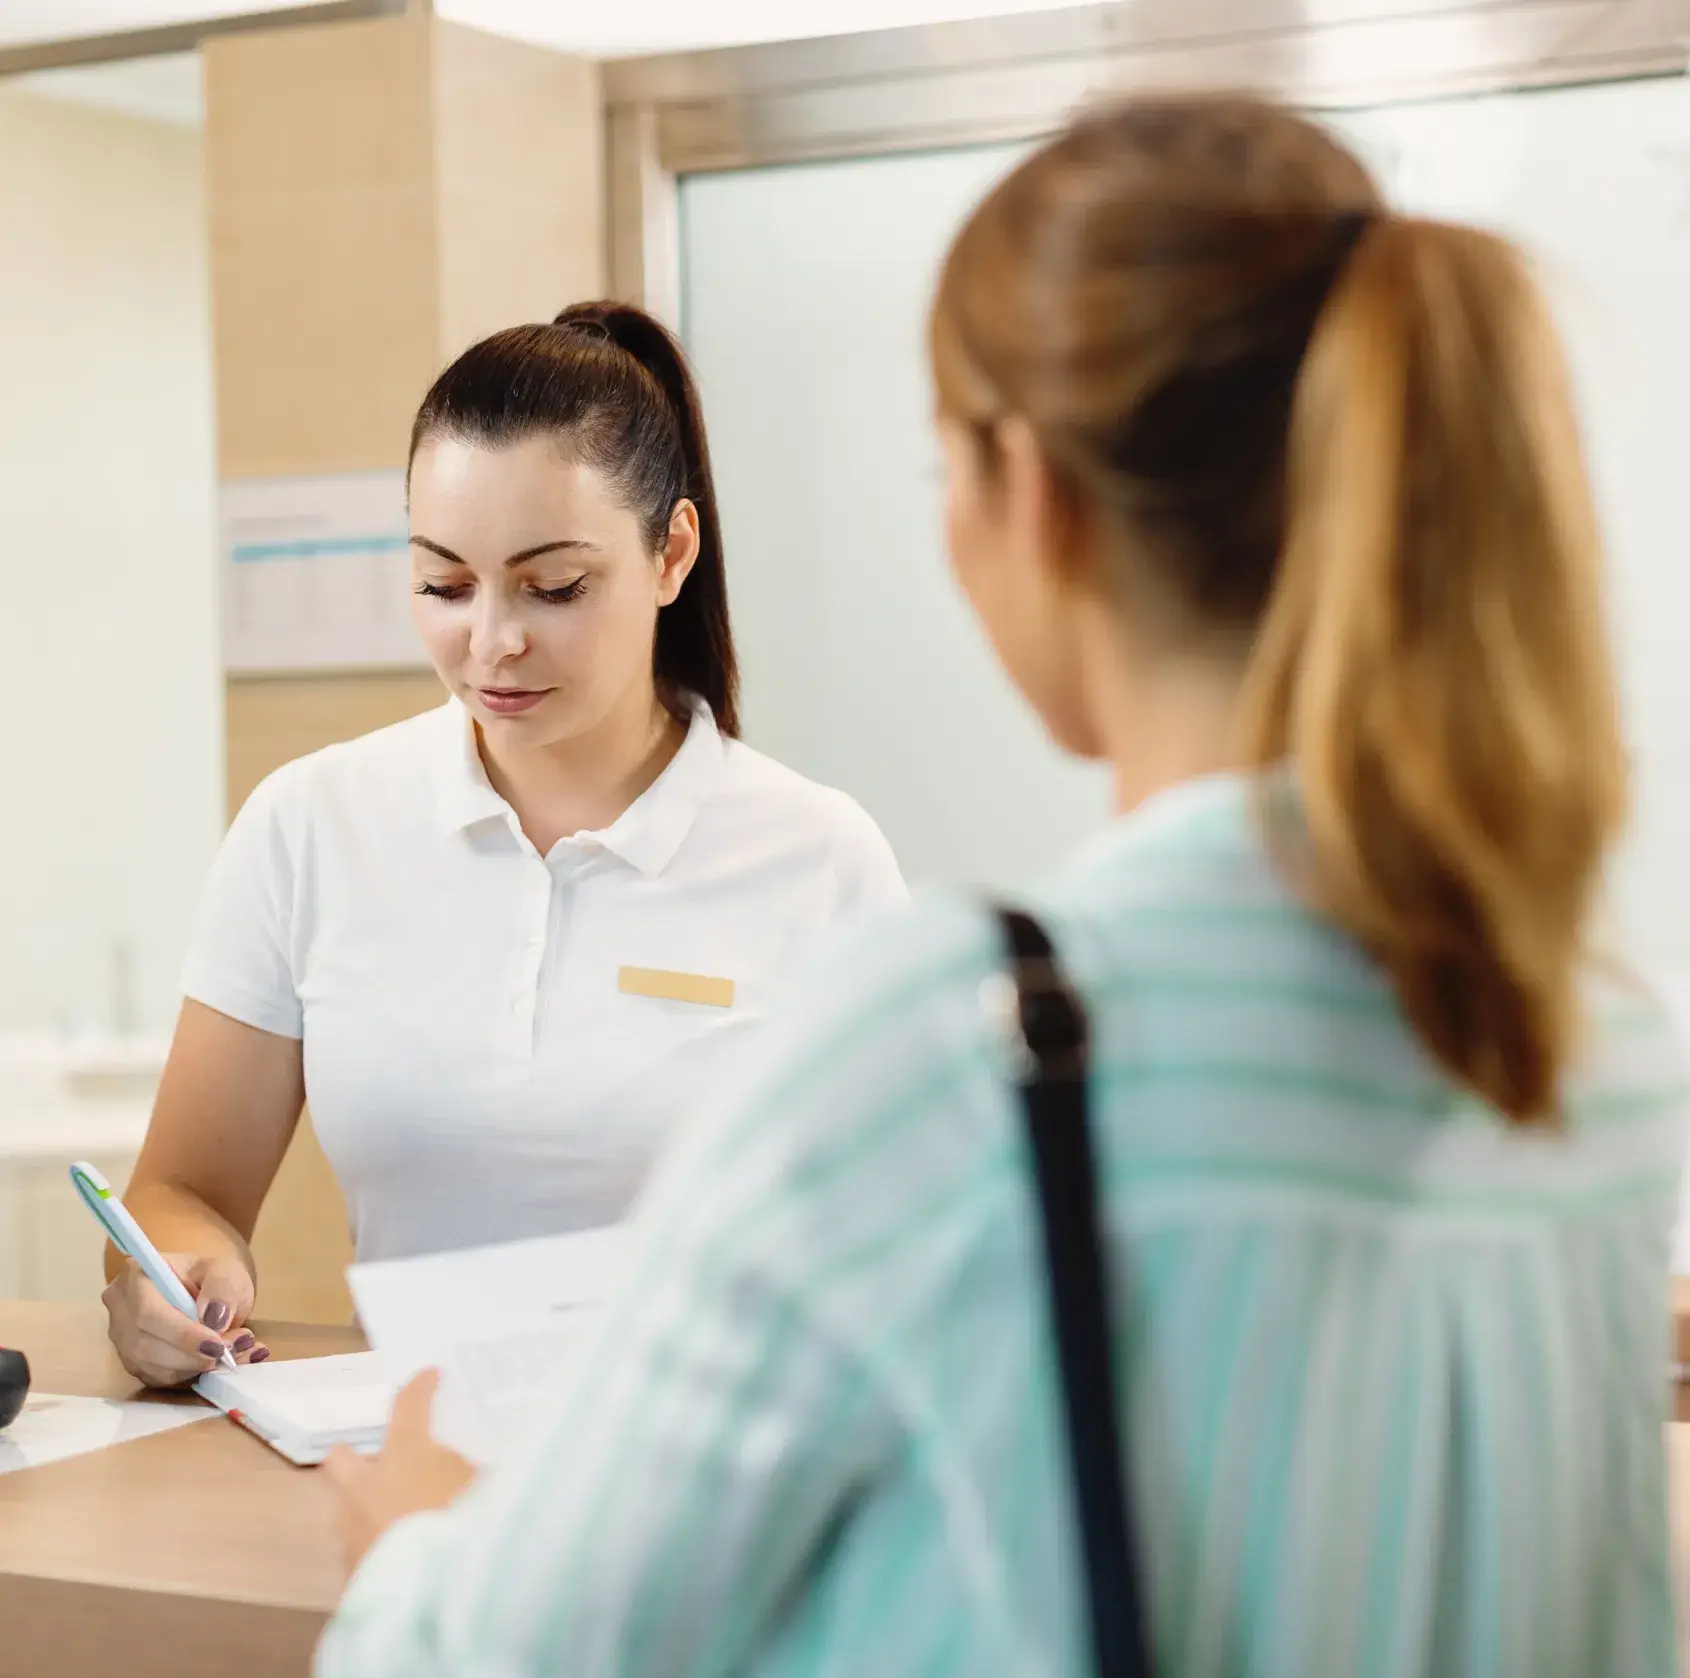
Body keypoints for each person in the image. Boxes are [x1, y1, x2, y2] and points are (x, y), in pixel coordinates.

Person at [314, 96, 1685, 1677]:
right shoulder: (1589, 1038)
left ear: (1025, 496)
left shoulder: (965, 1041)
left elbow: (518, 1655)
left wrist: (421, 1547)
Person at [103, 302, 904, 1387]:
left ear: (671, 550)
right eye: (442, 584)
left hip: (706, 1478)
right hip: (403, 1482)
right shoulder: (311, 827)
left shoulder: (819, 859)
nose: (491, 640)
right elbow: (178, 1192)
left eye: (554, 586)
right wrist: (171, 1275)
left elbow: (905, 1255)